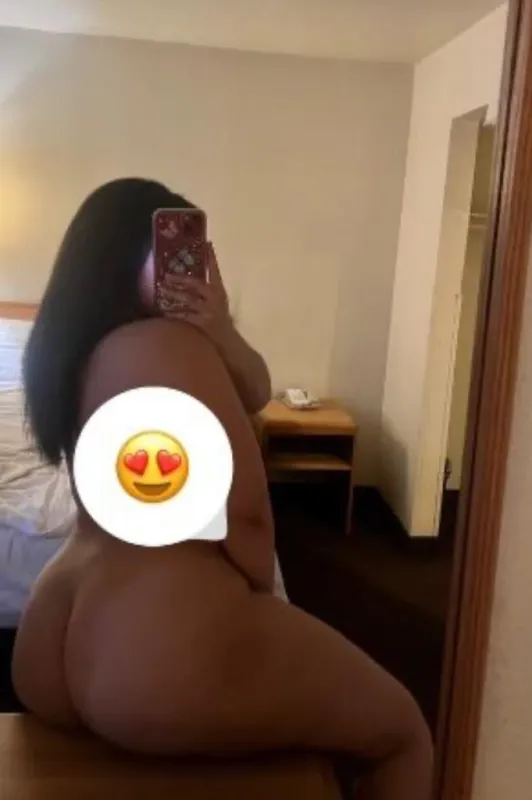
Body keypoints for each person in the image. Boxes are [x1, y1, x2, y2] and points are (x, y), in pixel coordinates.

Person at [14, 178, 433, 800]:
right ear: (127, 256)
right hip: (154, 645)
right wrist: (255, 602)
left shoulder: (74, 351)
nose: (191, 264)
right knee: (403, 733)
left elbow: (255, 389)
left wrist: (221, 326)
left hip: (53, 626)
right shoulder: (167, 344)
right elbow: (247, 511)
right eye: (171, 249)